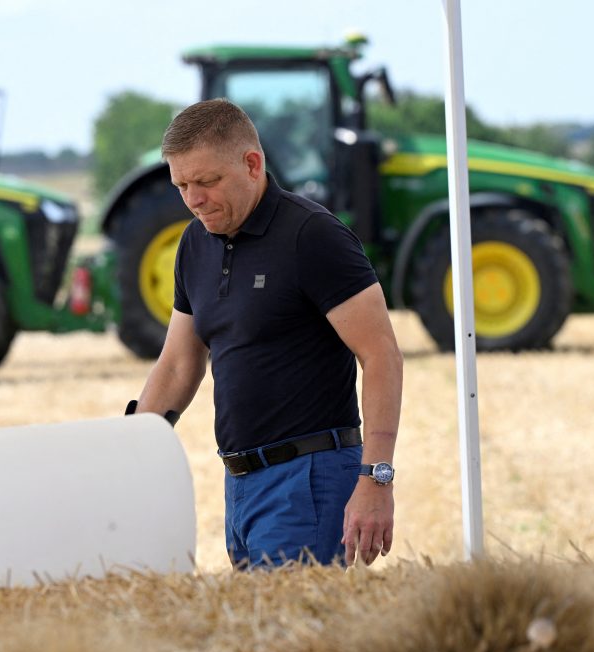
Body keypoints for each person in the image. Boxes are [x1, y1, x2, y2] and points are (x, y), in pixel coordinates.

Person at [133, 98, 403, 569]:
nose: (194, 199)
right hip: (239, 484)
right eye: (182, 185)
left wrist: (376, 480)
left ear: (252, 164)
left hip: (309, 481)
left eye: (207, 182)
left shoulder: (313, 236)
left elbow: (381, 355)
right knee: (260, 635)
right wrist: (129, 445)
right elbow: (178, 363)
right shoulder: (194, 244)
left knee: (289, 638)